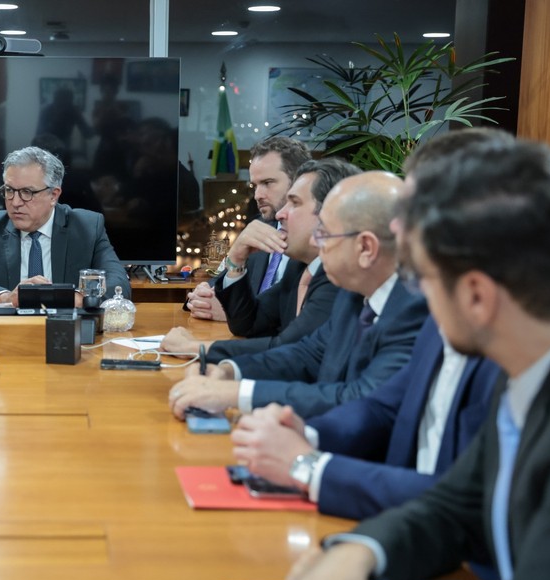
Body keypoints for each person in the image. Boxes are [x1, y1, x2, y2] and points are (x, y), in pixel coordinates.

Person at [285, 138, 550, 580]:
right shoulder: (525, 372)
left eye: (423, 278)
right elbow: (457, 503)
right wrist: (360, 553)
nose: (417, 299)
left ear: (477, 296)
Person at [228, 129, 511, 521]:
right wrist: (305, 437)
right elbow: (382, 408)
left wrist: (306, 465)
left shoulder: (499, 342)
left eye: (411, 219)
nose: (395, 231)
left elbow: (466, 499)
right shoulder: (438, 312)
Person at [169, 172, 427, 419]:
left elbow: (360, 402)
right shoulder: (355, 295)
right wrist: (230, 371)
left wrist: (237, 393)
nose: (316, 243)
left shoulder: (413, 311)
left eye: (325, 234)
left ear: (366, 248)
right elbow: (306, 354)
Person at [162, 158, 356, 359]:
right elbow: (248, 323)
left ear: (331, 214)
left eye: (295, 202)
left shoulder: (343, 276)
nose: (280, 214)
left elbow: (291, 351)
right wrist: (236, 259)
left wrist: (197, 348)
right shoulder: (300, 268)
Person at [0, 146, 129, 307]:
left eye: (27, 192)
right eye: (9, 190)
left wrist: (76, 298)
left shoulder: (87, 227)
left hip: (68, 329)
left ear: (54, 195)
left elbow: (119, 283)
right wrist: (6, 298)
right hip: (6, 329)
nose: (15, 202)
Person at [184, 136, 311, 321]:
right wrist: (202, 296)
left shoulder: (315, 240)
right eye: (254, 185)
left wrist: (234, 313)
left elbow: (303, 321)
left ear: (299, 180)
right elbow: (219, 282)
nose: (257, 195)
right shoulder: (259, 227)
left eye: (267, 183)